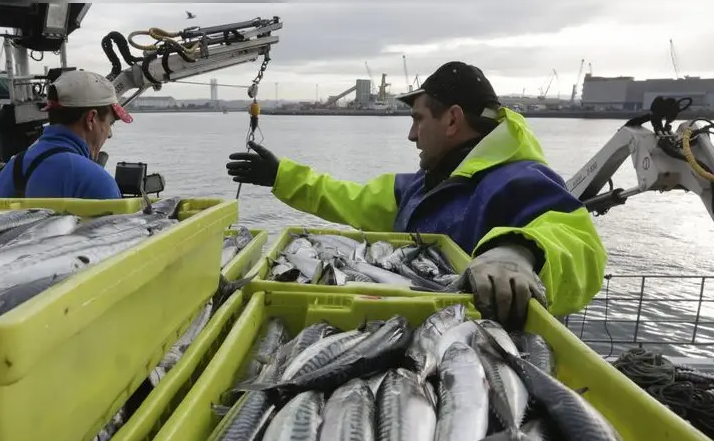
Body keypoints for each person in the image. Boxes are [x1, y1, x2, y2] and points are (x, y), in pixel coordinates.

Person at [227, 61, 606, 328]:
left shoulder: (517, 181)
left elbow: (578, 241)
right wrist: (280, 175)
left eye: (419, 119)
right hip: (413, 334)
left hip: (482, 351)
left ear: (453, 120)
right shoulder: (422, 185)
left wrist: (519, 252)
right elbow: (348, 198)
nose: (411, 135)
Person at [0, 69, 133, 199]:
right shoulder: (97, 181)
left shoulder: (8, 171)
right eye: (109, 124)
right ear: (91, 119)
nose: (109, 134)